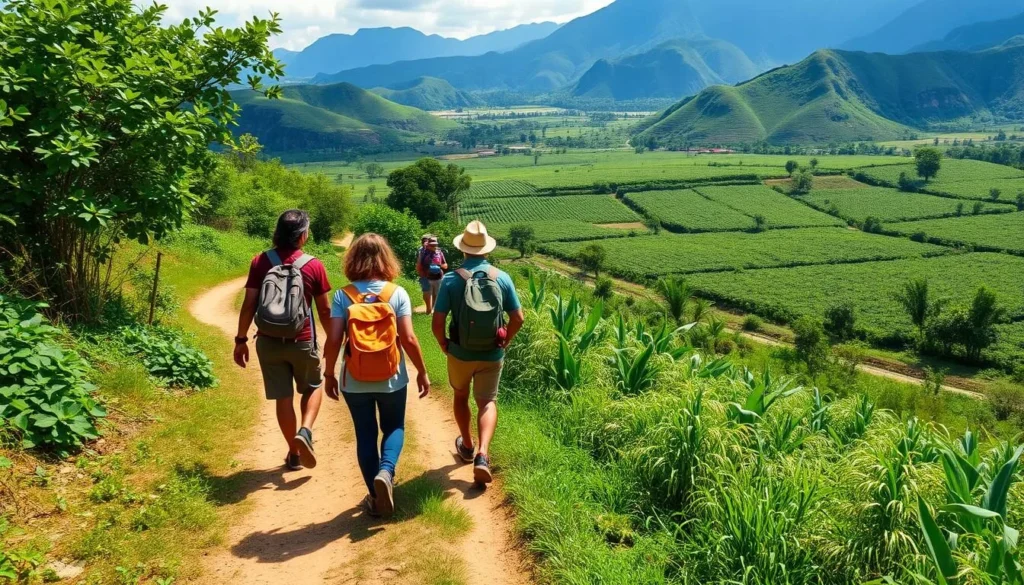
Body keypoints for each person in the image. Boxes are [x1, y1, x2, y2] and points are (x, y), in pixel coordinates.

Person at [324, 233, 431, 518]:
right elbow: (408, 338)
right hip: (392, 376)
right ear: (387, 259)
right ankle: (386, 472)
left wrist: (328, 373)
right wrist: (422, 371)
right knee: (394, 425)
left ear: (353, 259)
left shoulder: (342, 295)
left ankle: (374, 495)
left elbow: (334, 339)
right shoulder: (397, 294)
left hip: (354, 378)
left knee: (365, 434)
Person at [234, 210, 332, 472]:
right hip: (302, 340)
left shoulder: (260, 262)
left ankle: (294, 453)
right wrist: (335, 340)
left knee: (283, 397)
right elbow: (323, 310)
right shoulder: (314, 265)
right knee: (313, 386)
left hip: (268, 340)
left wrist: (241, 339)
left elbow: (249, 305)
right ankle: (306, 431)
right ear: (303, 235)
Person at [432, 220, 525, 485]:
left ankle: (467, 446)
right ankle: (483, 455)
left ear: (463, 250)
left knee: (460, 396)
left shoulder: (451, 279)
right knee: (487, 402)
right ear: (487, 249)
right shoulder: (501, 277)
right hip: (491, 354)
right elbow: (518, 317)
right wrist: (506, 340)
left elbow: (437, 323)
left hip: (460, 352)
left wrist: (444, 344)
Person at [417, 236, 448, 315]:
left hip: (438, 277)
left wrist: (438, 265)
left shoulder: (439, 253)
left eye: (435, 245)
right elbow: (419, 265)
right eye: (432, 245)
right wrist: (421, 274)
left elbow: (445, 265)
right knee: (427, 293)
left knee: (436, 294)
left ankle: (433, 310)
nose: (434, 247)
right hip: (427, 277)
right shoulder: (423, 252)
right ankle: (429, 309)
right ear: (428, 245)